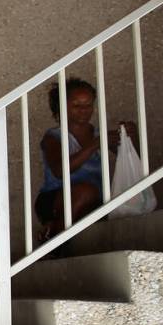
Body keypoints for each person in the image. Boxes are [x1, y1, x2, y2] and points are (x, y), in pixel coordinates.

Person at [35, 77, 137, 242]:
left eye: (88, 105)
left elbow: (133, 161)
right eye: (76, 105)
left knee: (111, 202)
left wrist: (131, 138)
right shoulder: (53, 137)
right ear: (62, 106)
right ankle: (54, 242)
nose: (84, 110)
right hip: (55, 200)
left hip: (94, 201)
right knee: (86, 192)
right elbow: (60, 170)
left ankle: (55, 231)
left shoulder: (98, 134)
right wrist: (95, 145)